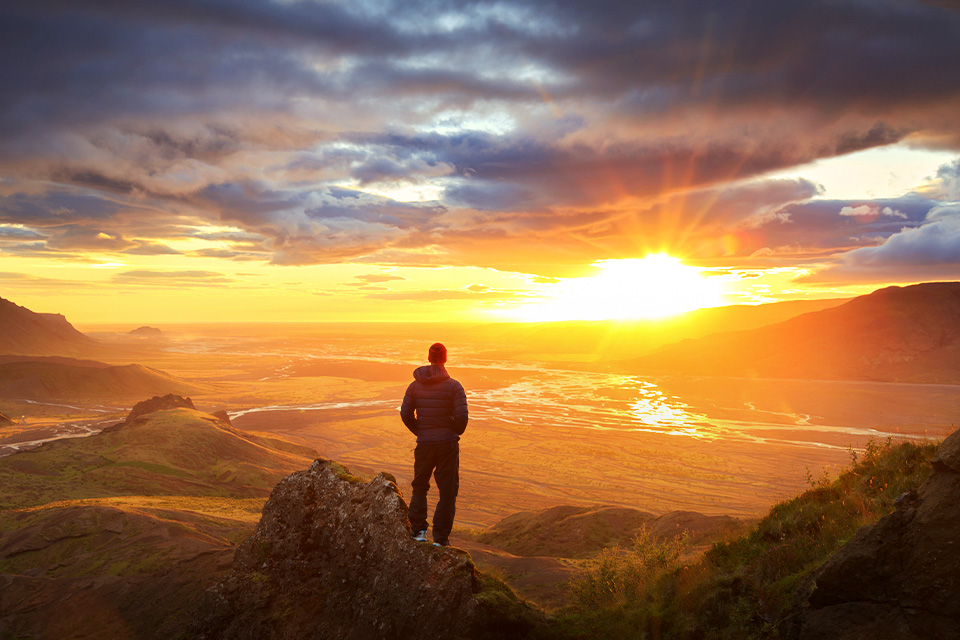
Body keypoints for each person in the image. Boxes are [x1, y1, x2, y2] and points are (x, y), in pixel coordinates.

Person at [400, 342, 468, 547]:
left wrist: (422, 432)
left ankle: (419, 531)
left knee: (419, 487)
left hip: (425, 444)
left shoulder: (414, 386)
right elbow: (462, 419)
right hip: (447, 445)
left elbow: (405, 414)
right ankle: (440, 539)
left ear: (429, 358)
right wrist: (452, 431)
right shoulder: (454, 386)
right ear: (445, 359)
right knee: (447, 491)